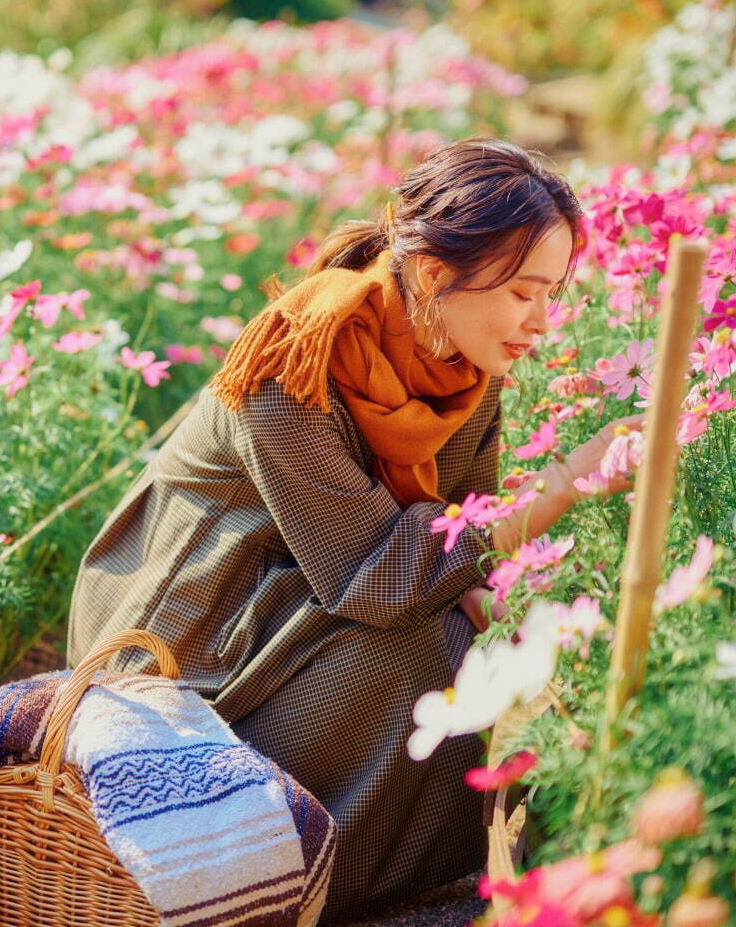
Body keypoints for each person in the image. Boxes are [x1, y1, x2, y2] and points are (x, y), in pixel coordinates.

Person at [65, 137, 639, 922]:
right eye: (525, 293)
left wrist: (535, 640)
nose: (543, 321)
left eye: (554, 293)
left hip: (309, 587)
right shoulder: (293, 364)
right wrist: (567, 482)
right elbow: (378, 576)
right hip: (188, 639)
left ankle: (408, 875)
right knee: (418, 651)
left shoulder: (463, 366)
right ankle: (301, 883)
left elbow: (454, 549)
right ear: (437, 274)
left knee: (490, 645)